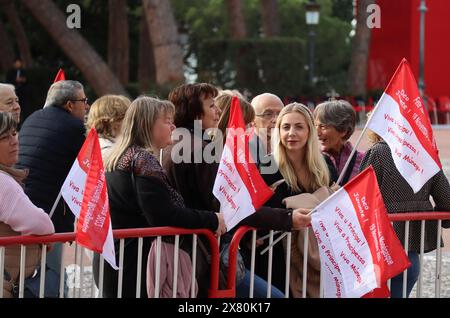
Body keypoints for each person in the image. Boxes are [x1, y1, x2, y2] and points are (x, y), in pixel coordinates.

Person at [164, 90, 312, 298]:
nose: (217, 111)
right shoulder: (199, 149)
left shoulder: (189, 145)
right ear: (196, 113)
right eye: (211, 106)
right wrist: (287, 218)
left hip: (201, 251)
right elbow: (230, 206)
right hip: (204, 254)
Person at [96, 96, 226, 298]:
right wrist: (212, 219)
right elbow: (164, 215)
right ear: (148, 125)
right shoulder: (142, 160)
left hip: (116, 259)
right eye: (166, 121)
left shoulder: (118, 158)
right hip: (136, 265)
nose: (173, 126)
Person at [15, 80, 88, 293]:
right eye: (83, 101)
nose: (87, 106)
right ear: (69, 105)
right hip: (48, 215)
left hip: (23, 206)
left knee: (28, 276)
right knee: (51, 279)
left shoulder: (32, 117)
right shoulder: (74, 128)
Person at [359, 129, 450, 298]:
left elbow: (361, 196)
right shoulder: (426, 154)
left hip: (380, 249)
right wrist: (432, 217)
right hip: (410, 253)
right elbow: (447, 200)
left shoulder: (378, 152)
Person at [260, 103, 337, 296]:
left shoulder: (325, 164)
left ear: (310, 131)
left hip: (320, 257)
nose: (291, 133)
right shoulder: (268, 165)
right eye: (285, 127)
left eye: (299, 127)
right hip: (277, 258)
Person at [0, 112, 55, 298]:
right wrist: (41, 236)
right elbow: (43, 224)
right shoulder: (3, 183)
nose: (14, 141)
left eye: (14, 133)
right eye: (4, 137)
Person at [313, 99, 364, 185]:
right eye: (315, 126)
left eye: (323, 127)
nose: (317, 133)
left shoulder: (363, 161)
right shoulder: (312, 160)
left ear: (343, 130)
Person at [85, 95, 131, 160]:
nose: (131, 122)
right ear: (114, 121)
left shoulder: (95, 147)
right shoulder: (109, 153)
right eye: (127, 117)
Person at [250, 93, 284, 166]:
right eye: (268, 114)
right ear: (253, 119)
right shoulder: (244, 152)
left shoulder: (291, 148)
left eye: (280, 114)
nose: (276, 119)